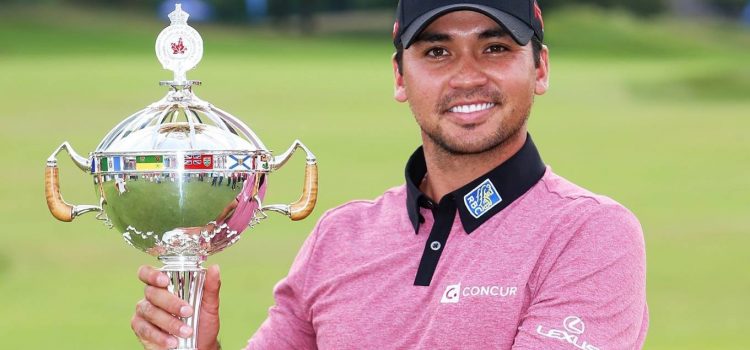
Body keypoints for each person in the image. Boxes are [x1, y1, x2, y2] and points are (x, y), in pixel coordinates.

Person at [131, 1, 649, 349]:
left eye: (495, 48)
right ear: (401, 77)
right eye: (437, 52)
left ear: (539, 69)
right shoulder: (339, 235)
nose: (467, 76)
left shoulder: (590, 234)